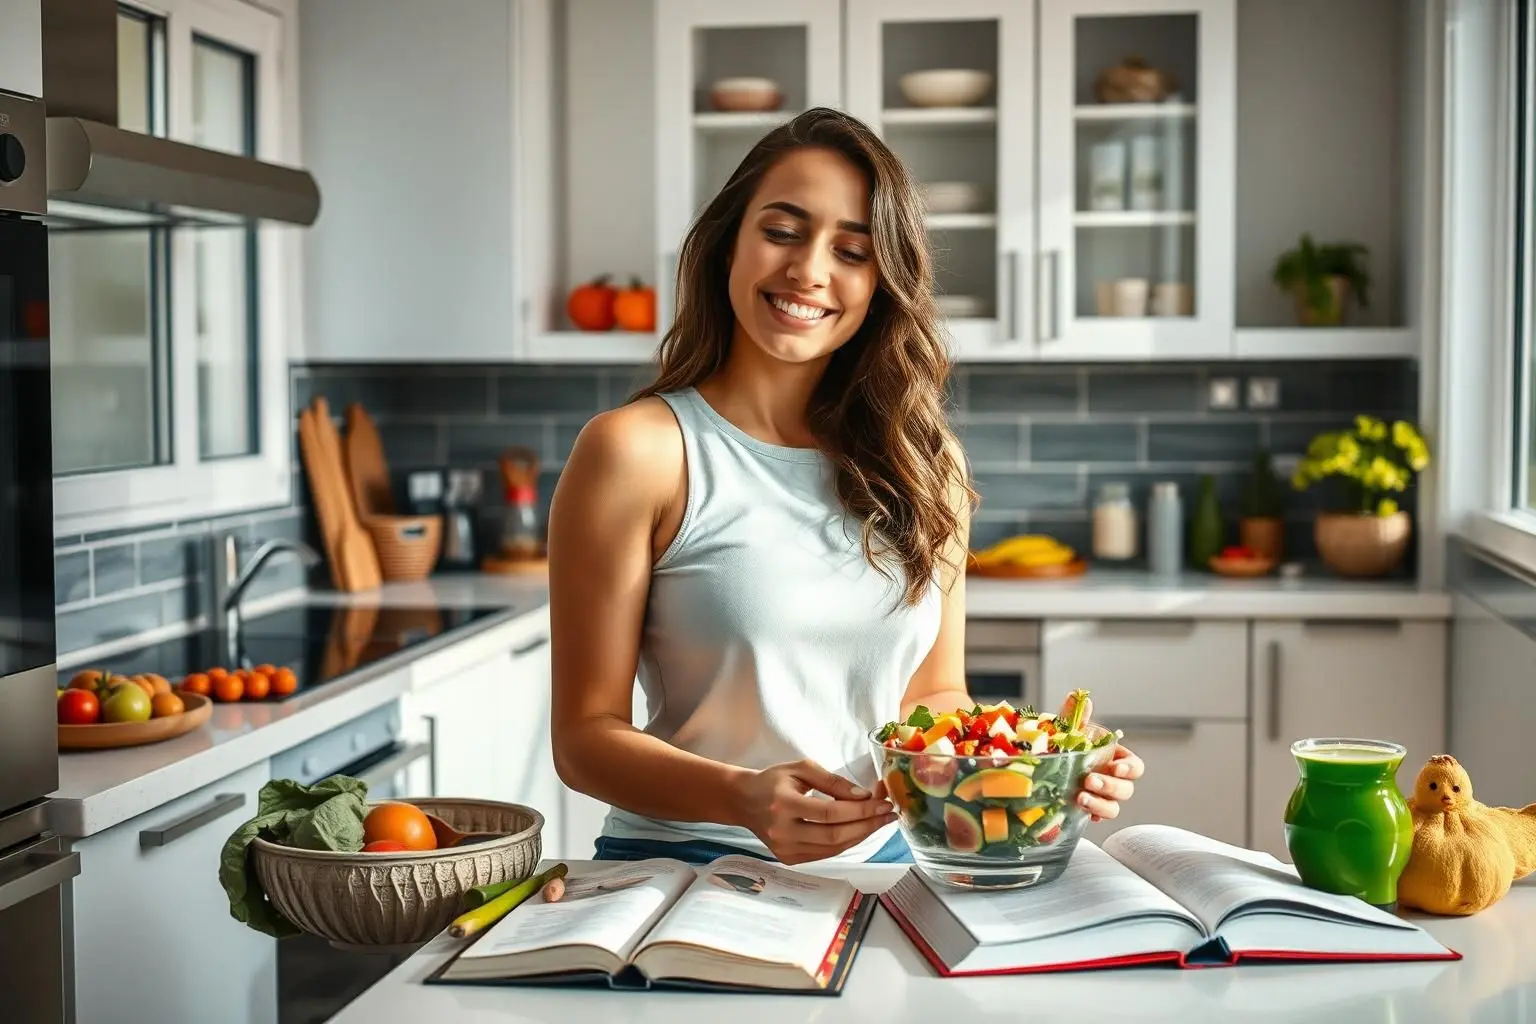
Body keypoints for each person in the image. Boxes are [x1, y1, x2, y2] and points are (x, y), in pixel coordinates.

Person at [547, 107, 1144, 867]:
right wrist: (741, 797)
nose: (809, 270)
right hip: (684, 871)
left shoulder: (927, 465)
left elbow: (932, 700)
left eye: (852, 249)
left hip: (886, 872)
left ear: (881, 281)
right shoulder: (640, 450)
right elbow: (584, 739)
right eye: (783, 231)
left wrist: (1039, 763)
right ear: (728, 242)